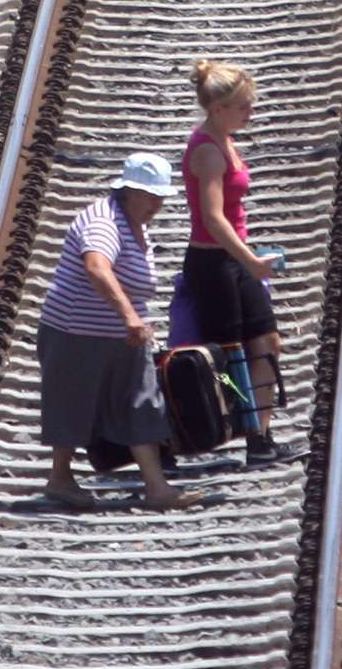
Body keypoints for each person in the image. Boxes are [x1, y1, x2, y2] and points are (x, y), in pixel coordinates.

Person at [37, 152, 195, 512]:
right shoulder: (103, 221)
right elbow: (96, 267)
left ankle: (157, 487)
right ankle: (60, 478)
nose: (156, 203)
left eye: (160, 197)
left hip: (124, 336)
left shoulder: (136, 223)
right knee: (73, 406)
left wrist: (134, 319)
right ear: (127, 191)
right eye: (148, 195)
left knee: (141, 402)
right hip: (76, 331)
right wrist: (128, 315)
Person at [176, 56, 286, 465]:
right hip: (214, 266)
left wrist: (249, 260)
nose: (250, 113)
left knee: (267, 343)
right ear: (217, 109)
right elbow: (212, 218)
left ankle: (260, 436)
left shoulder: (224, 138)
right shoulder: (207, 151)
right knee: (226, 355)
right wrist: (252, 262)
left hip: (235, 262)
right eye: (243, 106)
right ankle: (236, 422)